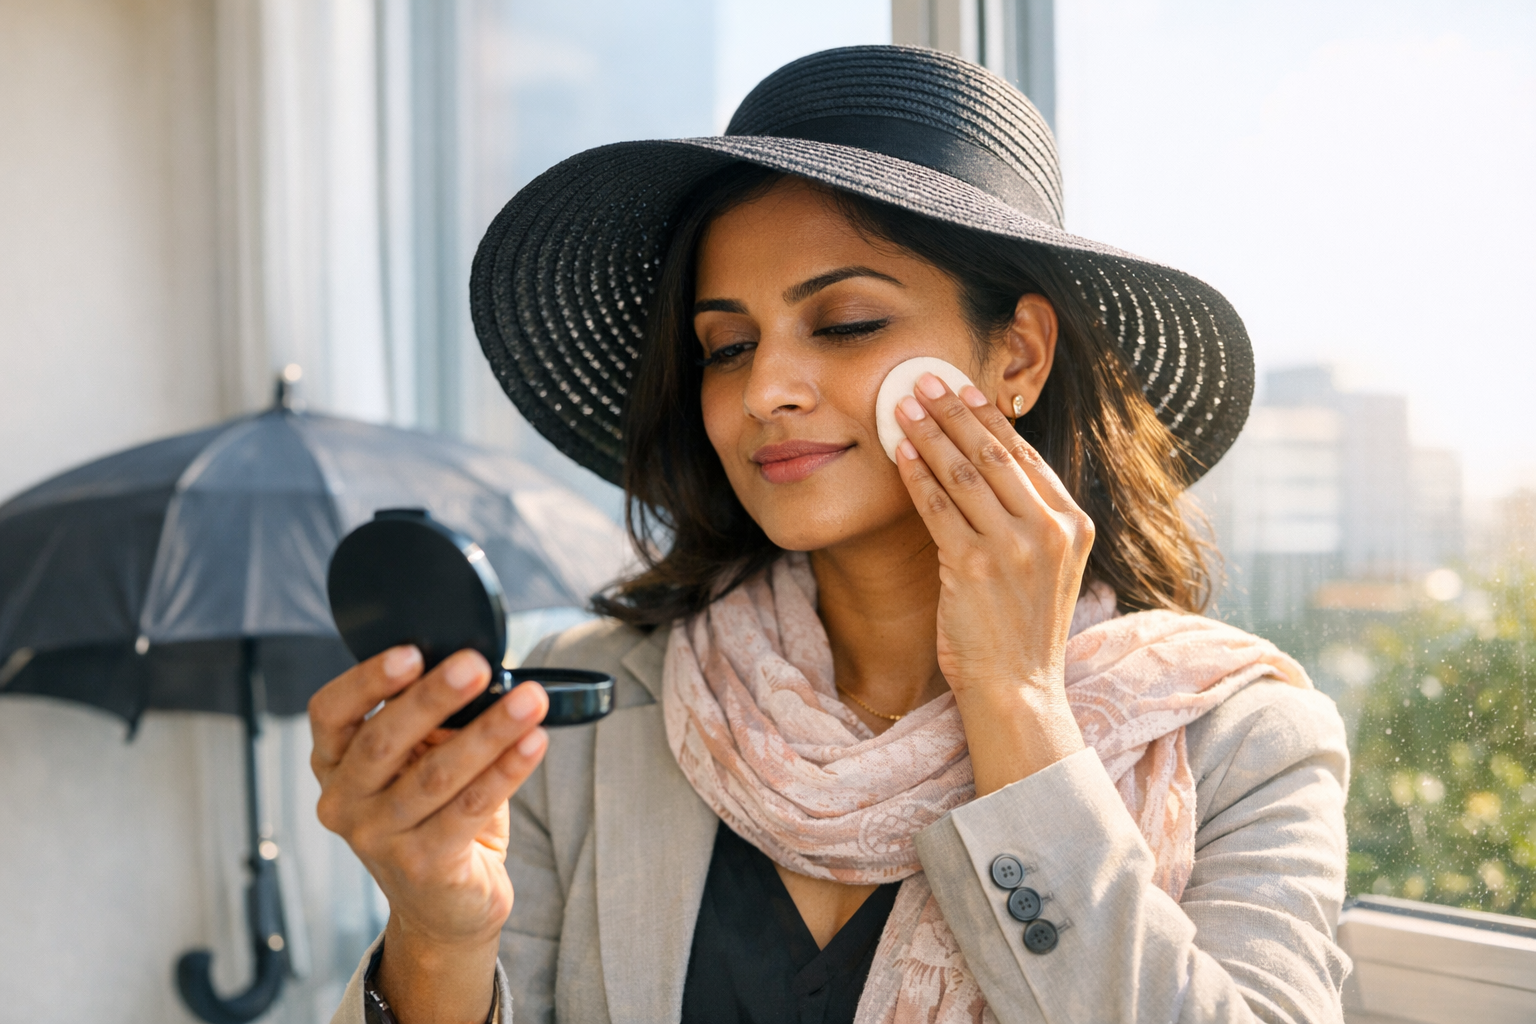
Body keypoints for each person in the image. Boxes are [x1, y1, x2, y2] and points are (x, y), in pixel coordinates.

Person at [310, 46, 1349, 1024]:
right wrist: (440, 937)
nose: (766, 389)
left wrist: (1017, 702)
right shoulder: (592, 703)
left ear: (1019, 356)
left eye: (846, 323)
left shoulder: (1239, 742)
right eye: (726, 345)